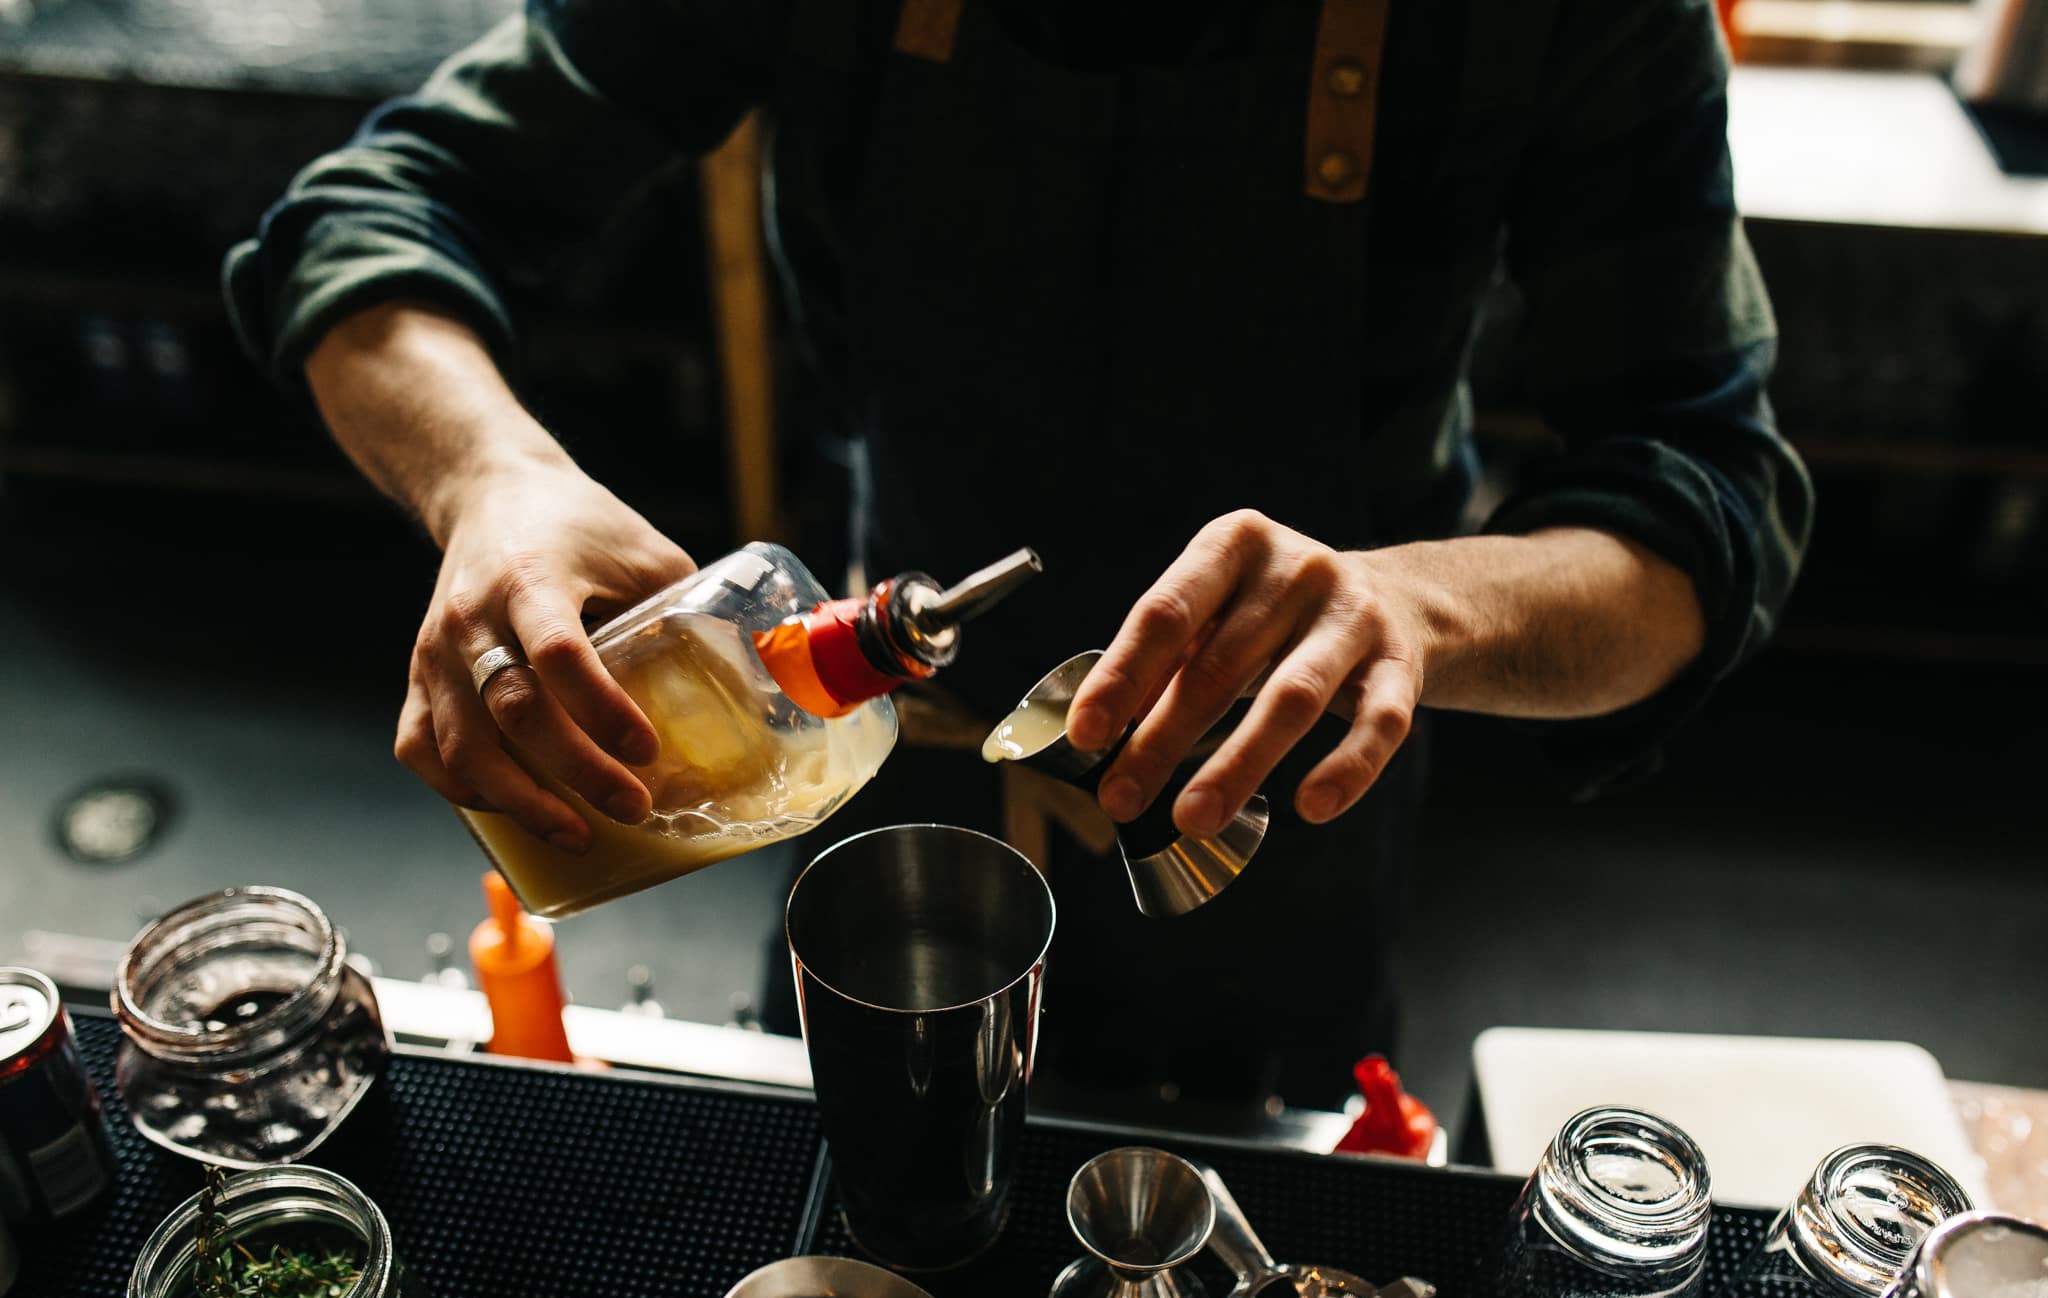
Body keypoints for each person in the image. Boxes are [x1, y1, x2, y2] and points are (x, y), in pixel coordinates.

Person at [225, 0, 1812, 1113]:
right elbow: (370, 217)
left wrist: (1416, 608)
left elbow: (1704, 504)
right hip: (873, 773)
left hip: (1271, 815)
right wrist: (490, 480)